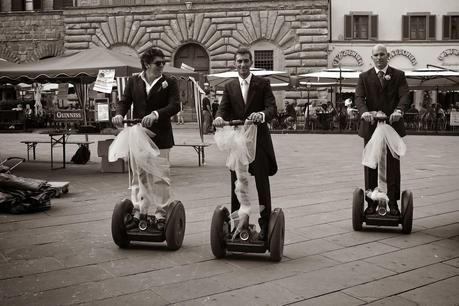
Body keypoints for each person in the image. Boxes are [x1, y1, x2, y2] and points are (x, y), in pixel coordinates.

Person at [213, 47, 277, 240]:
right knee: (237, 184)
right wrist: (218, 118)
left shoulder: (262, 83)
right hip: (238, 143)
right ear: (235, 63)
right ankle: (238, 225)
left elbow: (272, 107)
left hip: (259, 142)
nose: (242, 65)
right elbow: (223, 109)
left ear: (251, 63)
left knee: (262, 184)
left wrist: (262, 114)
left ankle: (266, 226)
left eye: (246, 61)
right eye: (239, 61)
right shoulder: (230, 86)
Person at [112, 47, 180, 218]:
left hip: (161, 136)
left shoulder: (169, 82)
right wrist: (119, 114)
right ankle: (139, 208)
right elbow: (125, 101)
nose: (162, 66)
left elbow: (175, 105)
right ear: (147, 64)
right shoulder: (133, 81)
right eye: (158, 63)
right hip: (138, 134)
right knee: (138, 174)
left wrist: (156, 114)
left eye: (163, 62)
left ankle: (161, 211)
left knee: (160, 176)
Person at [355, 44, 410, 216]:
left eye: (382, 54)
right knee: (371, 163)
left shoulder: (398, 75)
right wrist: (364, 113)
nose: (379, 57)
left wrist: (399, 111)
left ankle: (393, 203)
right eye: (376, 55)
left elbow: (405, 95)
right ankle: (371, 202)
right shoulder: (364, 76)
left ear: (388, 56)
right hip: (371, 127)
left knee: (393, 164)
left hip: (391, 126)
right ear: (372, 58)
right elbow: (359, 97)